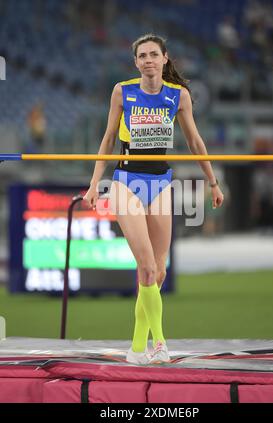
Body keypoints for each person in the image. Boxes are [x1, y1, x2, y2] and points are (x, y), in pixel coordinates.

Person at [84, 34, 224, 365]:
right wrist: (94, 184)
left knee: (157, 273)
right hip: (126, 182)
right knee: (145, 266)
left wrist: (213, 182)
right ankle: (160, 344)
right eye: (142, 55)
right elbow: (107, 138)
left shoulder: (178, 96)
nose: (147, 60)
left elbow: (195, 141)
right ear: (136, 62)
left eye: (153, 54)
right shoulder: (122, 91)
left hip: (160, 183)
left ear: (164, 59)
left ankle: (135, 348)